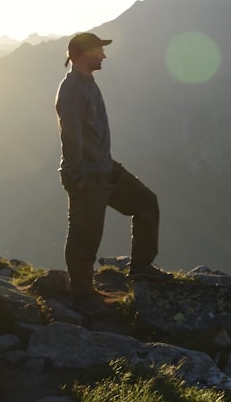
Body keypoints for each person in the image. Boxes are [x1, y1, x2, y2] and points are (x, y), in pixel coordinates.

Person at [55, 32, 173, 317]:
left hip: (105, 168)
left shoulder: (88, 84)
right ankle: (83, 296)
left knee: (146, 203)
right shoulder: (72, 89)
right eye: (99, 51)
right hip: (88, 176)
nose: (104, 56)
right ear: (84, 55)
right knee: (85, 234)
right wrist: (79, 176)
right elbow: (71, 136)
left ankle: (141, 268)